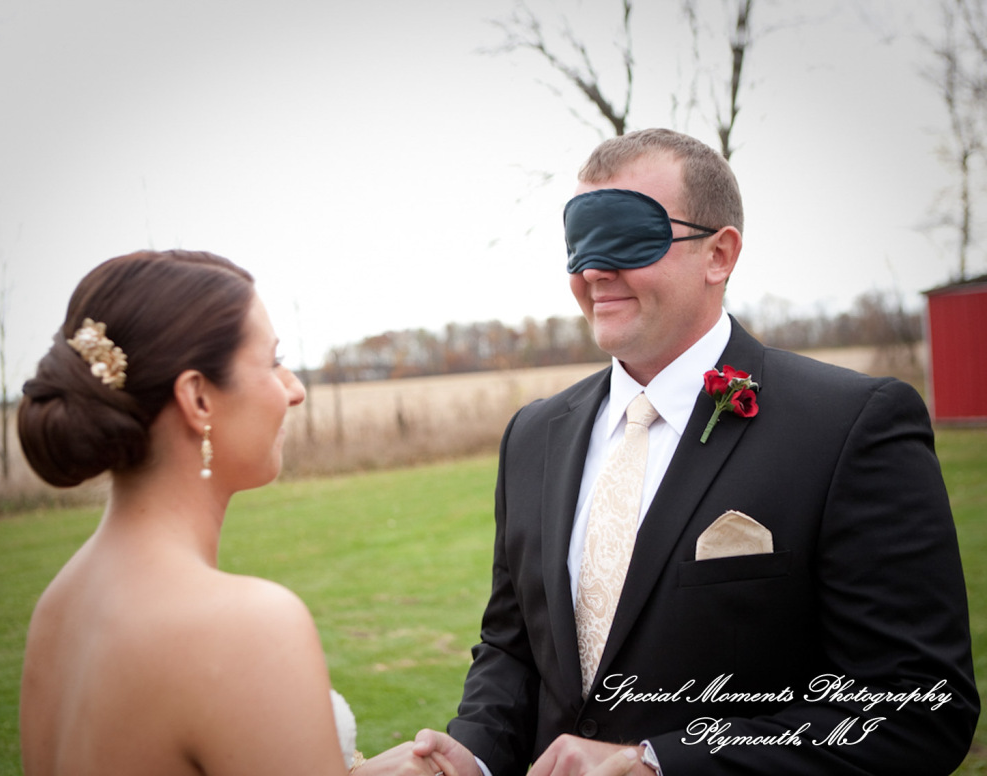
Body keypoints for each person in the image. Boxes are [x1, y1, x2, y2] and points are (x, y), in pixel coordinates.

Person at [416, 129, 979, 775]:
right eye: (579, 244)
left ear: (720, 254)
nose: (594, 269)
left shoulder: (849, 427)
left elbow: (915, 709)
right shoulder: (534, 436)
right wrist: (471, 757)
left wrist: (658, 765)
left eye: (627, 237)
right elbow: (513, 651)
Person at [16, 249, 461, 776]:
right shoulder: (247, 626)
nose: (294, 390)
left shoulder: (57, 607)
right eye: (272, 361)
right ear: (198, 400)